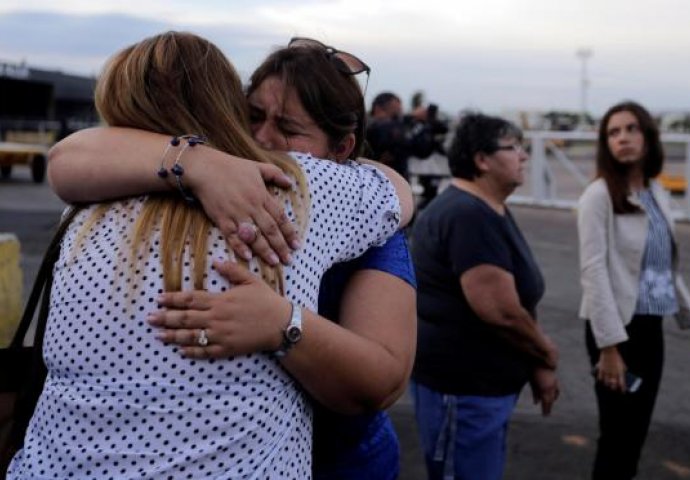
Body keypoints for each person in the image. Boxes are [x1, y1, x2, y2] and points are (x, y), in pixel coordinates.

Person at [7, 31, 407, 479]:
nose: (262, 139)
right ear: (227, 105)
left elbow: (67, 157)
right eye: (252, 116)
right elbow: (399, 192)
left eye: (289, 129)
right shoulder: (305, 186)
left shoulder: (88, 202)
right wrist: (200, 163)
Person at [410, 112, 560, 480]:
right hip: (464, 394)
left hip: (480, 392)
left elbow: (520, 297)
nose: (524, 156)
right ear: (481, 160)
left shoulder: (487, 207)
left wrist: (535, 365)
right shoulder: (467, 215)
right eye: (513, 148)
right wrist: (547, 353)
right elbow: (501, 311)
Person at [578, 100, 690, 480]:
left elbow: (663, 264)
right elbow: (593, 270)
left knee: (635, 436)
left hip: (650, 326)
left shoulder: (656, 191)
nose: (622, 138)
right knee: (617, 439)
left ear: (647, 136)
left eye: (631, 129)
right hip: (615, 330)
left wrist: (684, 310)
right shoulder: (598, 196)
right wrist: (609, 346)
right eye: (613, 132)